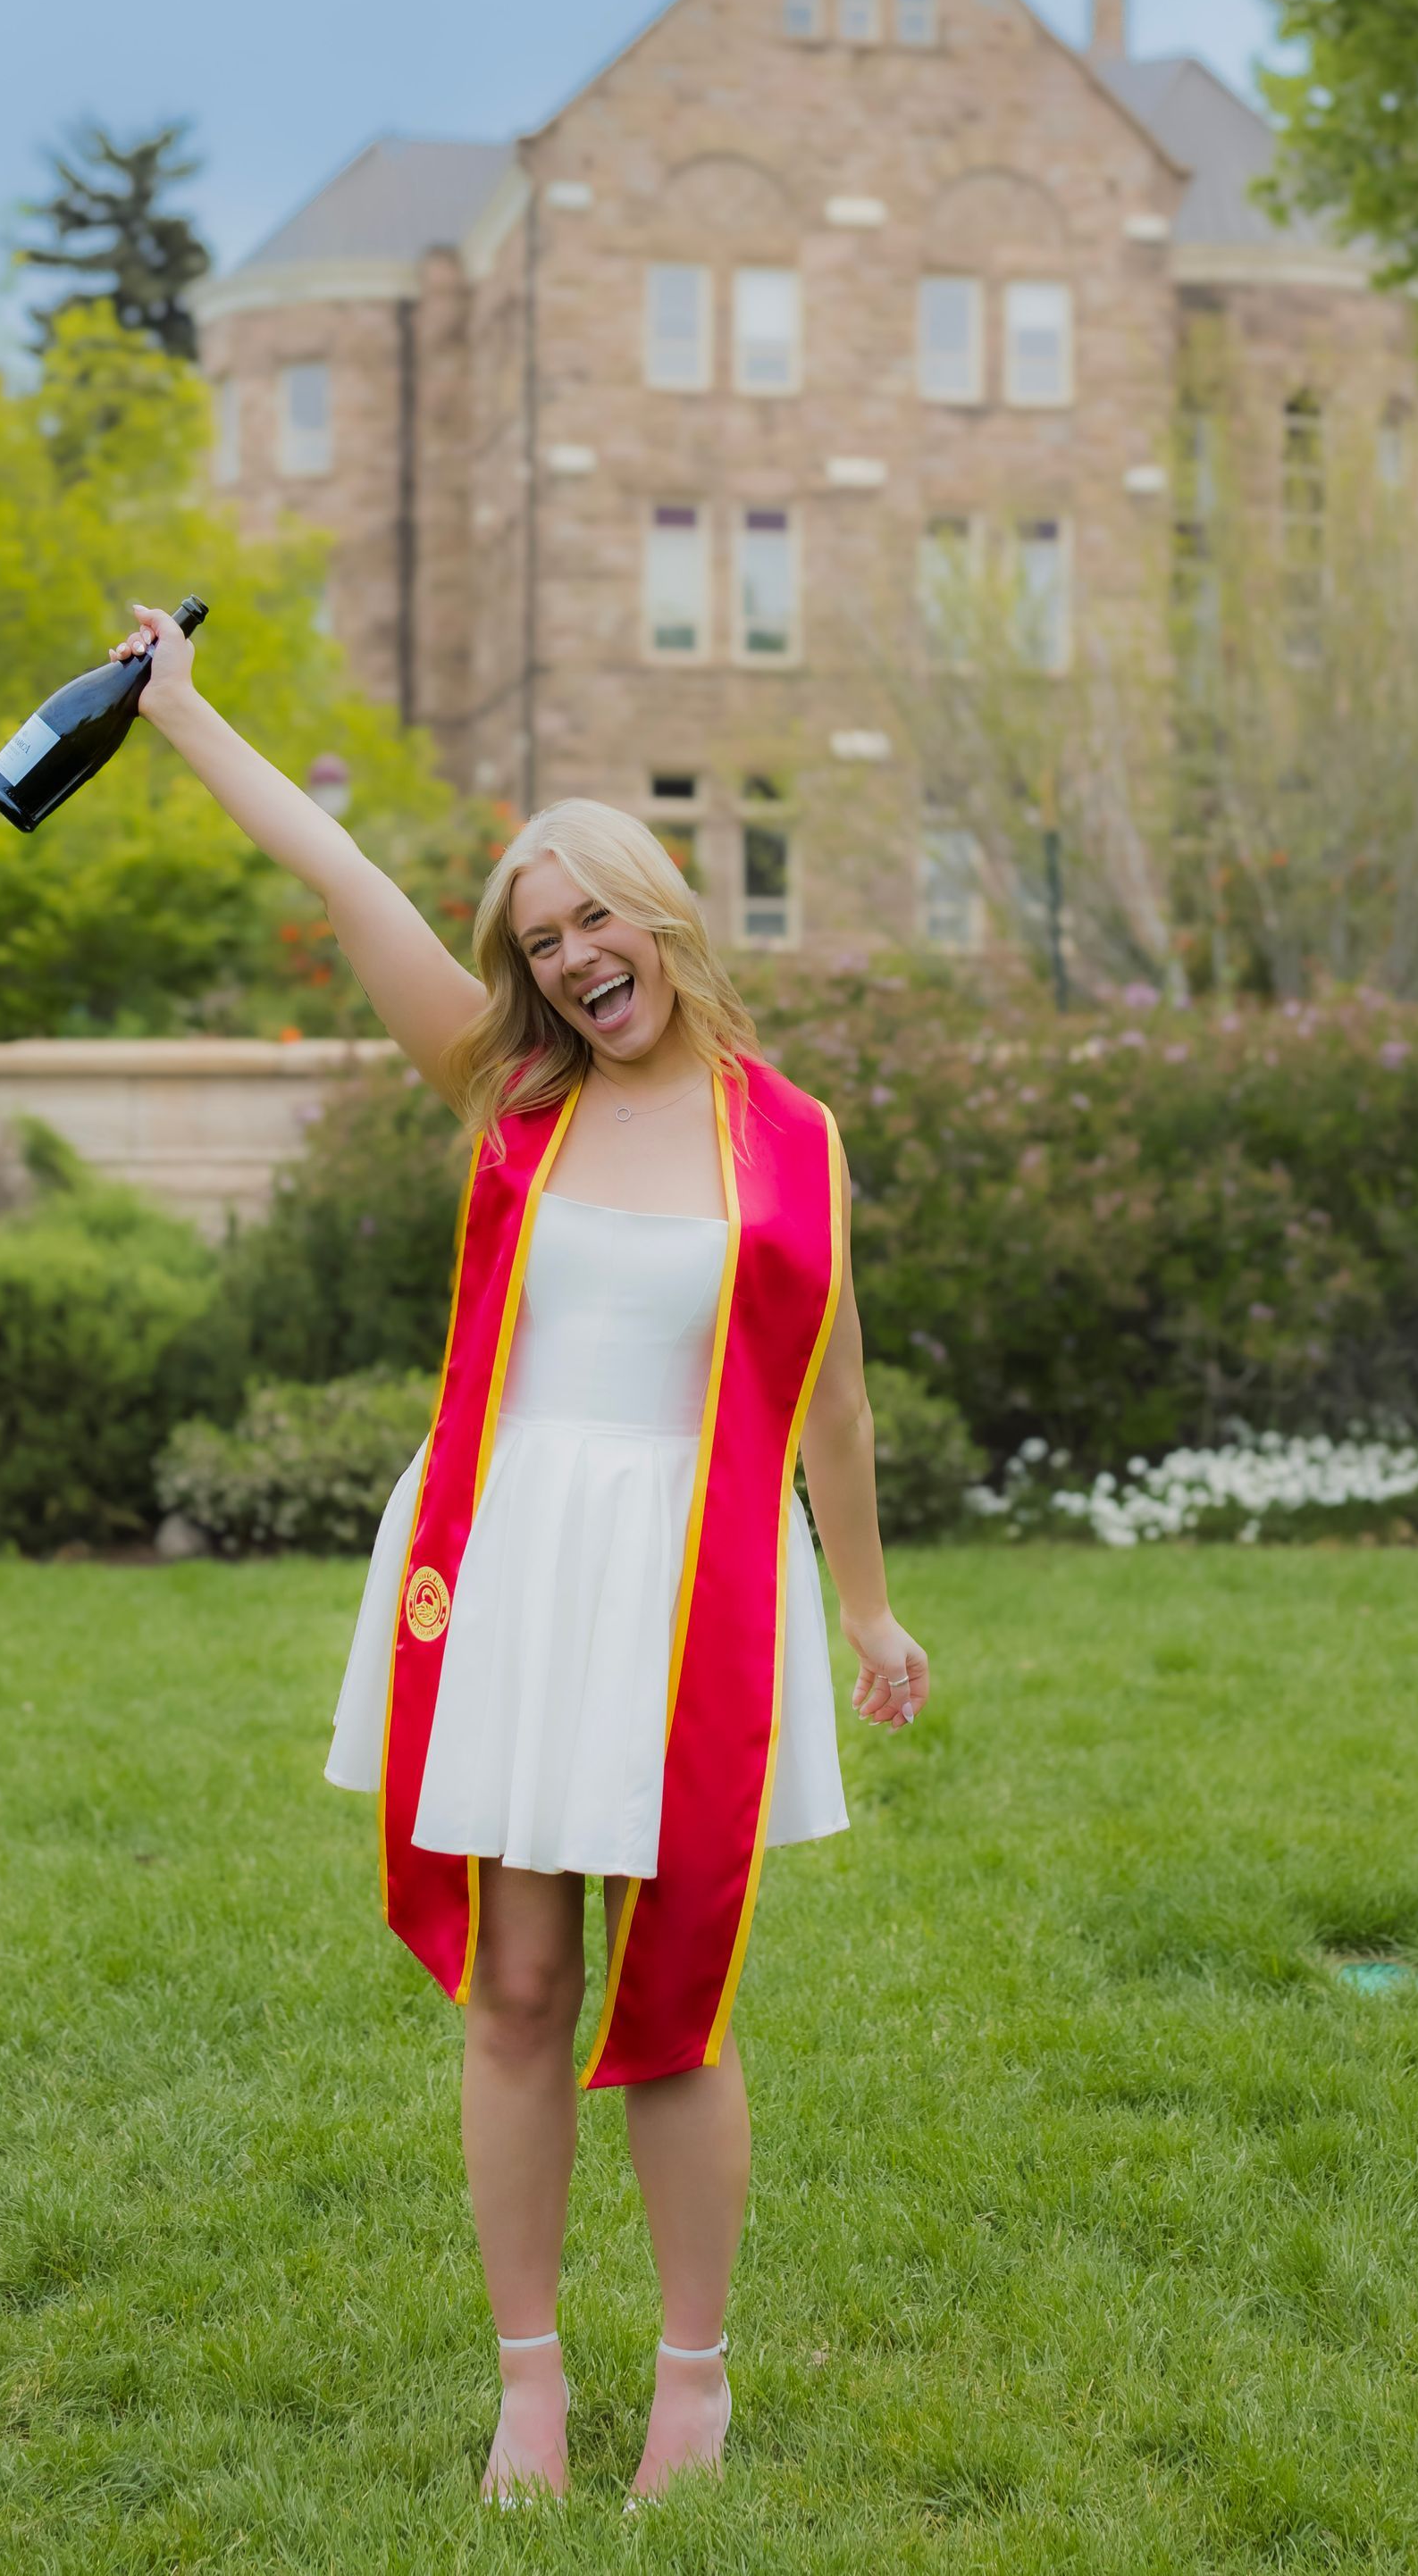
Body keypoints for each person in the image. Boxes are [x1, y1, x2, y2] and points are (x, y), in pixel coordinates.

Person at [113, 603, 932, 2507]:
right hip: (505, 1563)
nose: (574, 961)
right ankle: (532, 2387)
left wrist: (870, 1603)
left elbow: (836, 1402)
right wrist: (183, 710)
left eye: (596, 923)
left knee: (678, 2007)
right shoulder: (516, 1093)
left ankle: (697, 2382)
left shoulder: (791, 1144)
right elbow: (339, 867)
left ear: (666, 915)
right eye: (541, 940)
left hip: (690, 1586)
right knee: (521, 1988)